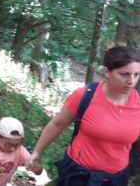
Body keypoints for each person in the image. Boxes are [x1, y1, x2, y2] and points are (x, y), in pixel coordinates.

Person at [26, 46, 140, 186]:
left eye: (136, 74)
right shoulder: (85, 95)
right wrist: (36, 152)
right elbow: (57, 124)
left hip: (116, 179)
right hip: (78, 175)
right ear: (107, 72)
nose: (131, 81)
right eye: (124, 74)